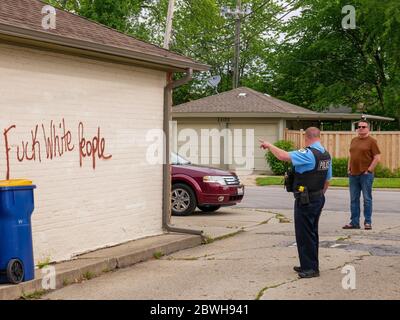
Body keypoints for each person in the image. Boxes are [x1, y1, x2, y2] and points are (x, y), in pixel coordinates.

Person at [260, 127, 332, 279]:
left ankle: (311, 269)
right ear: (319, 136)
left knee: (304, 233)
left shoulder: (308, 154)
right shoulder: (325, 155)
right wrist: (318, 195)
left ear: (306, 138)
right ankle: (308, 264)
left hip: (306, 200)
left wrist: (269, 145)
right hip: (318, 197)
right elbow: (327, 180)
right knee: (311, 232)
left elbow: (283, 156)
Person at [343, 120, 381, 230]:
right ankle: (354, 222)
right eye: (359, 126)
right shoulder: (354, 140)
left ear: (368, 128)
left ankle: (367, 222)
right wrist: (348, 168)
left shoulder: (372, 141)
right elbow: (351, 155)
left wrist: (369, 170)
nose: (361, 128)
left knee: (367, 199)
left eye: (363, 127)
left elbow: (377, 157)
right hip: (353, 175)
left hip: (366, 175)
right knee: (354, 199)